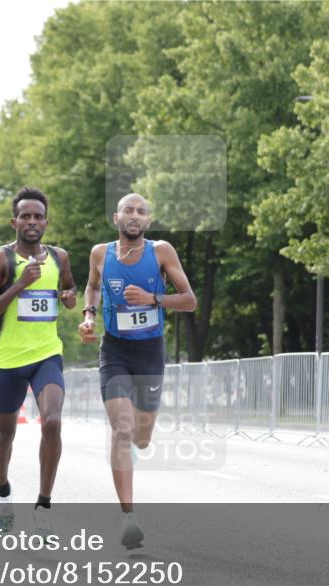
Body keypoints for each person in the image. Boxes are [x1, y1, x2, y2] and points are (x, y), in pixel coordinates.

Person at [79, 193, 197, 549]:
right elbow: (92, 287)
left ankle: (136, 446)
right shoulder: (100, 254)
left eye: (141, 212)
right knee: (122, 430)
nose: (134, 215)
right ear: (116, 217)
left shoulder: (161, 252)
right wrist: (89, 316)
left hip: (149, 352)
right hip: (114, 350)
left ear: (148, 221)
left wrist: (154, 299)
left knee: (141, 438)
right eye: (128, 210)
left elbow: (190, 301)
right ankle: (128, 518)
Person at [0, 186, 77, 536]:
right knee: (5, 433)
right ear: (14, 222)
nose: (32, 222)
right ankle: (3, 492)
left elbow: (69, 288)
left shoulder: (59, 257)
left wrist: (69, 297)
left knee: (52, 422)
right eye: (25, 216)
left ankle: (44, 505)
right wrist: (20, 284)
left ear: (46, 222)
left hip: (47, 355)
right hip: (9, 360)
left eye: (38, 217)